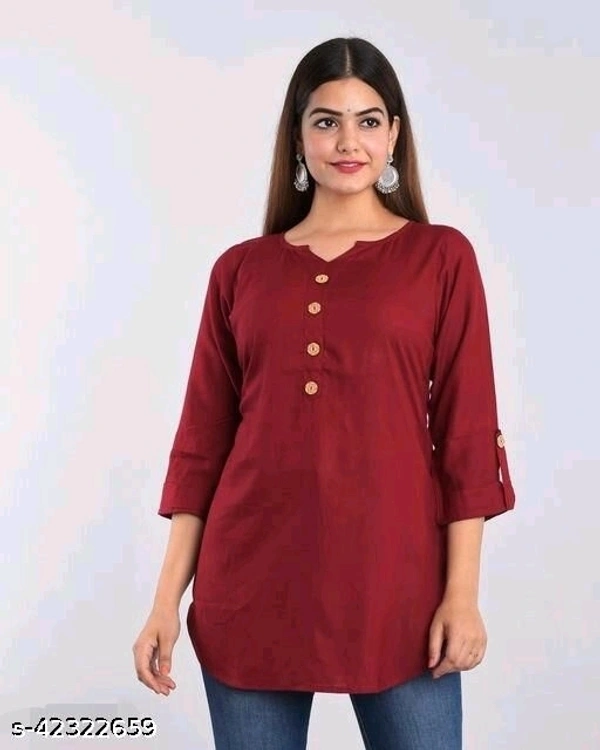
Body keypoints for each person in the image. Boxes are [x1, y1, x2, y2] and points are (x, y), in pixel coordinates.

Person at [133, 36, 516, 750]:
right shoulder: (240, 271)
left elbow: (466, 435)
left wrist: (461, 596)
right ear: (297, 136)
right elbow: (203, 445)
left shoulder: (440, 258)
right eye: (326, 121)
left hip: (399, 591)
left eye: (367, 121)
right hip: (251, 589)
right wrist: (164, 603)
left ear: (394, 134)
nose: (347, 141)